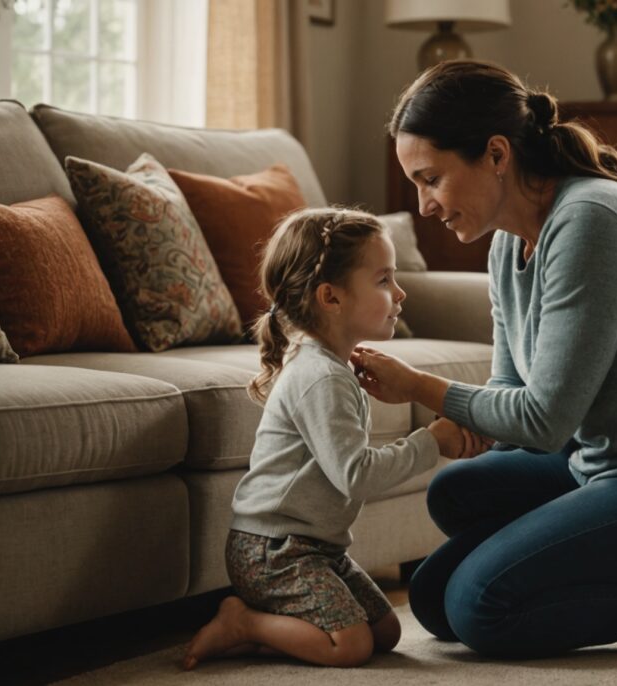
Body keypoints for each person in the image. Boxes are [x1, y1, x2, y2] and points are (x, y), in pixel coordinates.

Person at [352, 59, 617, 659]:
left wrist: (421, 388)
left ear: (496, 155)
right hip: (610, 467)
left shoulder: (591, 221)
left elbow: (545, 421)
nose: (424, 206)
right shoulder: (506, 243)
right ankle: (585, 564)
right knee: (435, 583)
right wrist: (459, 426)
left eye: (431, 179)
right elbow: (511, 385)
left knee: (479, 607)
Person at [182, 208, 489, 670]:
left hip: (317, 548)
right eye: (384, 280)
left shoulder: (332, 368)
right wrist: (431, 441)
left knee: (384, 633)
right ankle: (242, 622)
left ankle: (266, 635)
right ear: (331, 297)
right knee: (350, 646)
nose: (400, 293)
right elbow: (355, 476)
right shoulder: (319, 377)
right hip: (274, 550)